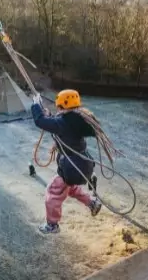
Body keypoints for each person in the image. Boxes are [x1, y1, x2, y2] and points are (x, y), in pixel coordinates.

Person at [31, 89, 103, 234]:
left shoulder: (64, 122)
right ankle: (92, 203)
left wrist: (36, 106)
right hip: (83, 165)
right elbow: (59, 125)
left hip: (72, 167)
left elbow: (40, 121)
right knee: (71, 189)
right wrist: (48, 115)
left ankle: (52, 225)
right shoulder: (75, 119)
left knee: (53, 191)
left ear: (62, 105)